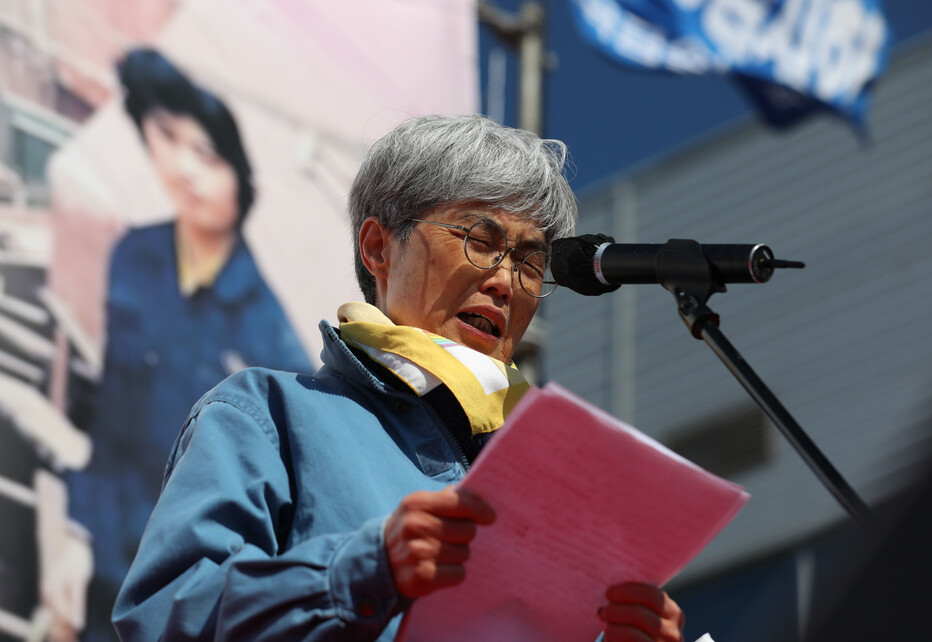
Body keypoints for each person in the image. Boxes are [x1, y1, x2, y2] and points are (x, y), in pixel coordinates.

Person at [113, 115, 685, 641]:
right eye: (479, 242)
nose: (507, 282)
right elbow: (164, 616)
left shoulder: (568, 486)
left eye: (530, 262)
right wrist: (364, 570)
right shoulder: (268, 414)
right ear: (378, 247)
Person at [69, 48, 312, 641]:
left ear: (239, 176)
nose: (184, 169)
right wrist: (76, 534)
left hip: (191, 594)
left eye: (206, 154)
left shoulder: (268, 329)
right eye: (168, 139)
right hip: (104, 564)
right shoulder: (133, 256)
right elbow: (108, 423)